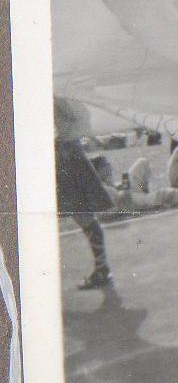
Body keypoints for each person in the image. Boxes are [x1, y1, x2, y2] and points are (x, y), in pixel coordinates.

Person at [54, 98, 114, 290]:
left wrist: (64, 138)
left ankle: (102, 268)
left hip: (66, 156)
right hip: (61, 154)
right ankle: (102, 268)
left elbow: (82, 118)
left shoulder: (55, 96)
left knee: (82, 215)